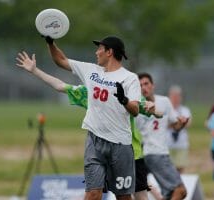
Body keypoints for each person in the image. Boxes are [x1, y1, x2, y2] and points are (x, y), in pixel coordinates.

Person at [15, 51, 161, 200]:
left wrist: (154, 109)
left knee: (137, 197)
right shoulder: (89, 93)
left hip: (130, 153)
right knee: (93, 193)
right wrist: (35, 70)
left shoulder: (125, 90)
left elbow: (154, 111)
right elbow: (60, 85)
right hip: (100, 150)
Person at [44, 35, 141, 200]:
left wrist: (124, 100)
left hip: (120, 146)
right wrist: (50, 43)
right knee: (93, 194)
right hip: (94, 142)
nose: (96, 52)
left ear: (109, 52)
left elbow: (135, 110)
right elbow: (60, 60)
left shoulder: (129, 78)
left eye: (100, 49)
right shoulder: (90, 70)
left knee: (123, 196)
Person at [136, 73, 188, 200]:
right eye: (140, 85)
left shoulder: (164, 101)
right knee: (180, 190)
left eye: (146, 84)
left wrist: (181, 124)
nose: (143, 87)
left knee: (170, 194)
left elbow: (175, 125)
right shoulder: (135, 107)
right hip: (153, 153)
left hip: (160, 152)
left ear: (153, 85)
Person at [167, 85, 192, 174]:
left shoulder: (185, 110)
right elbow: (163, 124)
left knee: (180, 169)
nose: (175, 98)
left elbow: (188, 123)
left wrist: (173, 123)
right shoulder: (166, 109)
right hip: (167, 145)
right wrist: (179, 123)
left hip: (181, 144)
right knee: (168, 169)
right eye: (173, 96)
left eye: (177, 96)